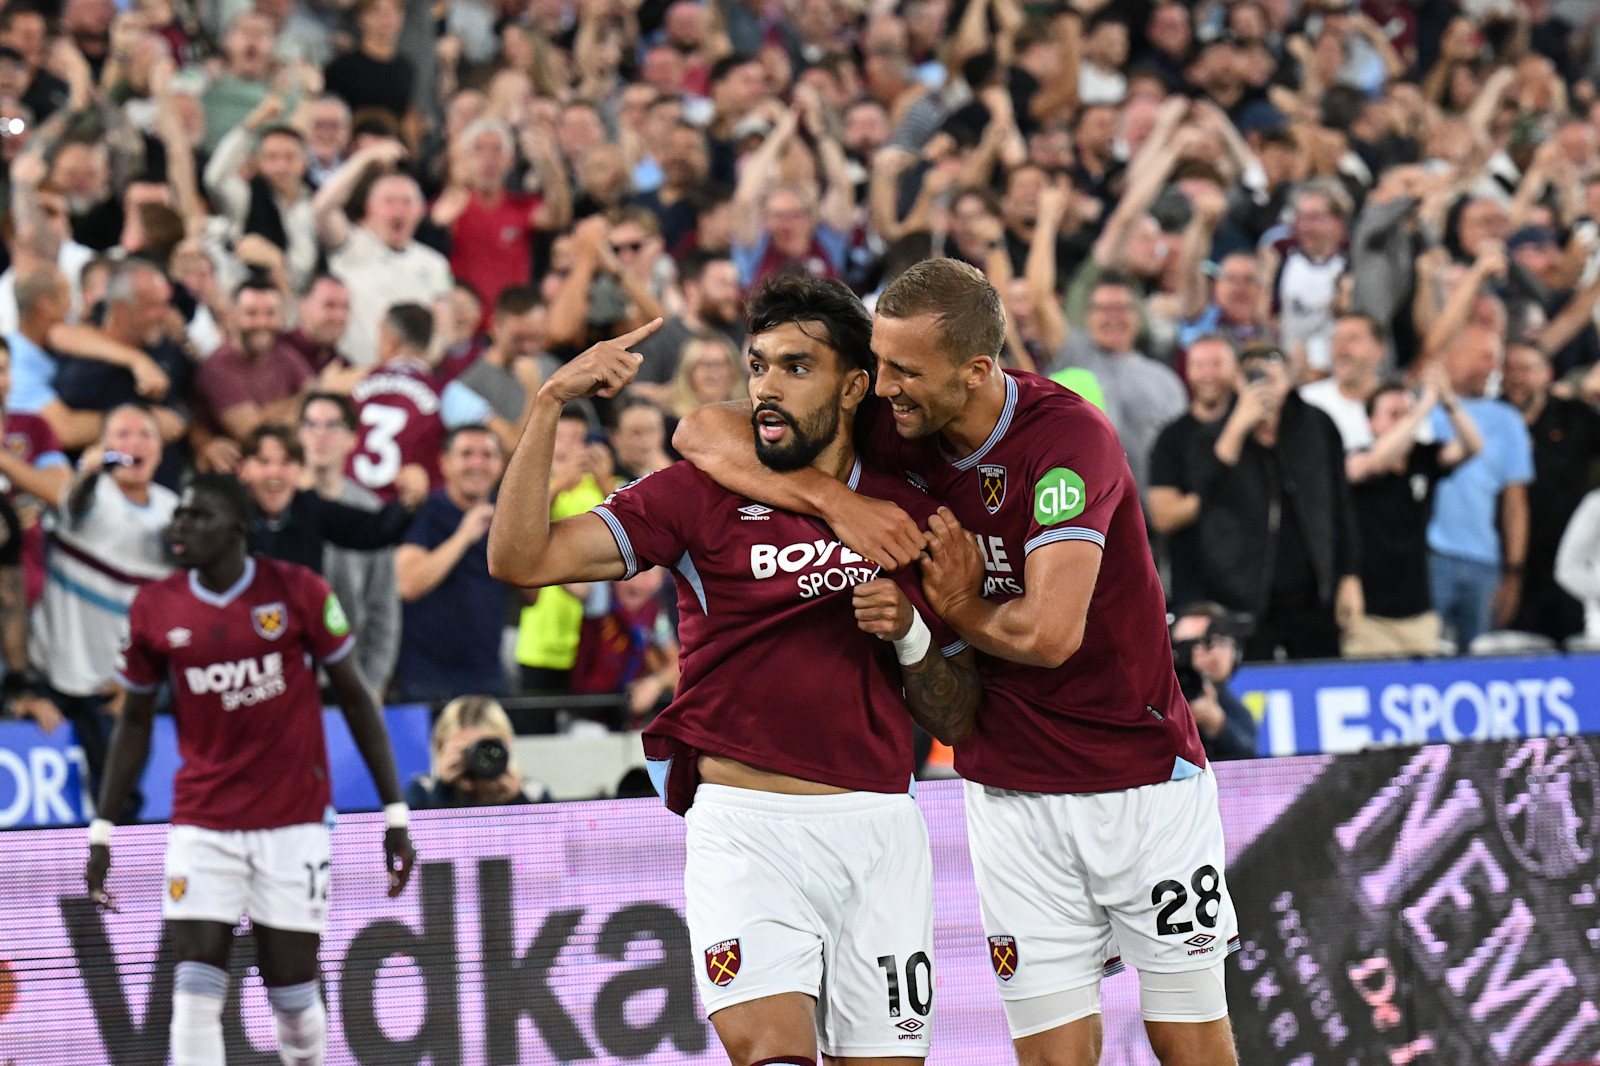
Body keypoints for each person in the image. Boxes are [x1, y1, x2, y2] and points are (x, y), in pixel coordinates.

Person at [676, 258, 1238, 1066]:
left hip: (1137, 779)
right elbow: (700, 431)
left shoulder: (1068, 440)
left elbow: (1050, 635)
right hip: (1007, 789)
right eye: (880, 363)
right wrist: (839, 502)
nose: (884, 387)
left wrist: (964, 607)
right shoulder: (896, 421)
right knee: (1051, 1058)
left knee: (1189, 1040)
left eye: (905, 370)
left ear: (976, 370)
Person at [488, 274, 980, 1066]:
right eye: (758, 366)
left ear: (854, 386)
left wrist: (913, 632)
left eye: (795, 367)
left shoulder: (910, 510)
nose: (766, 388)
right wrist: (548, 404)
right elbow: (521, 559)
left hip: (882, 833)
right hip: (747, 832)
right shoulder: (698, 494)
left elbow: (955, 716)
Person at [84, 472, 416, 1066]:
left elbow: (357, 697)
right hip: (203, 822)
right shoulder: (155, 606)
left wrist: (395, 814)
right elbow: (134, 722)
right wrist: (103, 829)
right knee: (194, 987)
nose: (180, 525)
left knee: (292, 995)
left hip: (293, 819)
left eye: (198, 516)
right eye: (179, 513)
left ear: (236, 528)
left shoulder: (298, 590)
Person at [29, 404, 177, 822]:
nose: (134, 443)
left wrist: (143, 682)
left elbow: (175, 613)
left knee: (122, 803)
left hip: (113, 687)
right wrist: (89, 474)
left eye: (145, 434)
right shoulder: (92, 493)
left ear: (161, 449)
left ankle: (114, 867)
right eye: (122, 434)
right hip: (48, 675)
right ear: (104, 445)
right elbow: (75, 504)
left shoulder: (175, 512)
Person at [1191, 346, 1363, 661]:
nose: (1263, 388)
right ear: (1237, 382)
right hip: (1243, 596)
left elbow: (1341, 503)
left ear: (1289, 380)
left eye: (1271, 378)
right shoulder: (1214, 434)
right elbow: (1203, 495)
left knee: (1319, 675)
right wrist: (1238, 427)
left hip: (1313, 593)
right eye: (1254, 378)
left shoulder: (1317, 425)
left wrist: (1349, 576)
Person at [1343, 372, 1482, 658]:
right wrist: (1421, 408)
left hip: (1417, 609)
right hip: (1368, 612)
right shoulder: (1356, 458)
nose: (1405, 421)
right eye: (1393, 414)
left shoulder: (1424, 458)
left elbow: (1473, 446)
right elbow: (1374, 463)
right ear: (1371, 423)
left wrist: (1449, 401)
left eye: (1406, 414)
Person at [1425, 326, 1533, 650]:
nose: (1493, 368)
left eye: (1496, 360)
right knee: (1426, 653)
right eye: (1485, 357)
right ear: (1453, 357)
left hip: (1484, 560)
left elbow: (1515, 502)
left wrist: (1513, 572)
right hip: (1429, 556)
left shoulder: (1507, 420)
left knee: (1480, 657)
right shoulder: (1422, 407)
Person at [394, 424, 513, 701]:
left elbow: (534, 596)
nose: (477, 463)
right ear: (444, 462)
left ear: (501, 465)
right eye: (467, 454)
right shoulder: (425, 513)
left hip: (488, 678)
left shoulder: (506, 519)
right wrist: (465, 535)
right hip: (426, 680)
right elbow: (407, 584)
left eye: (487, 455)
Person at [299, 392, 403, 698]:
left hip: (349, 678)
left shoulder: (369, 512)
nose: (320, 435)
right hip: (286, 675)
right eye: (310, 424)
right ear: (298, 434)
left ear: (352, 440)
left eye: (332, 426)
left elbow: (383, 605)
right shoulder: (276, 505)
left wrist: (374, 683)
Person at [238, 424, 425, 572]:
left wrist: (408, 503)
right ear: (242, 469)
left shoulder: (309, 508)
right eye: (263, 462)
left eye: (287, 462)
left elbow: (371, 530)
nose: (274, 473)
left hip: (302, 609)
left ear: (300, 470)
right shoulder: (229, 515)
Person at [1148, 334, 1237, 606]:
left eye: (1217, 364)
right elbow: (1163, 516)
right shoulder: (1172, 438)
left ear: (1234, 369)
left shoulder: (1259, 430)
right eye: (1199, 365)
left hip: (1253, 585)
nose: (1208, 374)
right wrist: (1220, 488)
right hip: (1195, 585)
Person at [404, 694, 547, 807]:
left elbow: (545, 833)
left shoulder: (534, 794)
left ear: (506, 744)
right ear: (441, 746)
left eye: (486, 748)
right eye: (463, 749)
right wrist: (443, 788)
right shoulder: (422, 791)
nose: (477, 758)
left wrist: (516, 798)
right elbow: (417, 831)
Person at [1169, 604, 1256, 762]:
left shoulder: (1228, 706)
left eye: (1220, 642)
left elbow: (1248, 761)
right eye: (1185, 646)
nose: (1213, 652)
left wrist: (1217, 724)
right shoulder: (1155, 694)